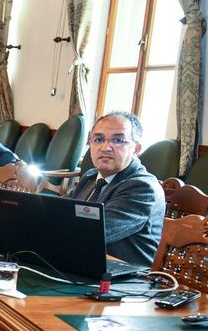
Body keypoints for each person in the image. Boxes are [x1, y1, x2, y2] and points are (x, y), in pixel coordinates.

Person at [67, 111, 165, 266]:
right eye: (98, 139)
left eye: (118, 140)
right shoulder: (91, 177)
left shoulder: (142, 188)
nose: (105, 147)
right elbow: (57, 209)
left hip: (125, 274)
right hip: (83, 260)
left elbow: (92, 233)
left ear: (136, 149)